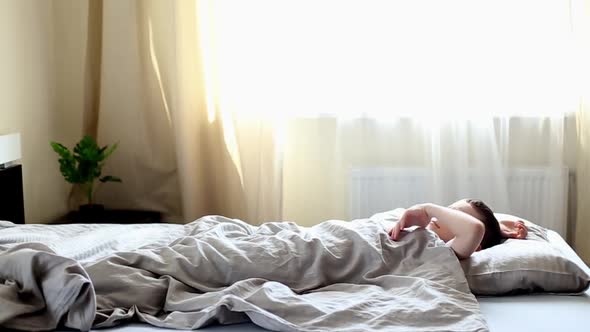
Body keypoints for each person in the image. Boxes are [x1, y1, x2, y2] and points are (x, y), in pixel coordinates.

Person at [389, 199, 528, 259]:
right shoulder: (419, 226)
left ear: (475, 247)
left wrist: (427, 209)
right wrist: (501, 228)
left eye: (456, 215)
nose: (443, 214)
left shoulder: (448, 249)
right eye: (447, 210)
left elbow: (474, 229)